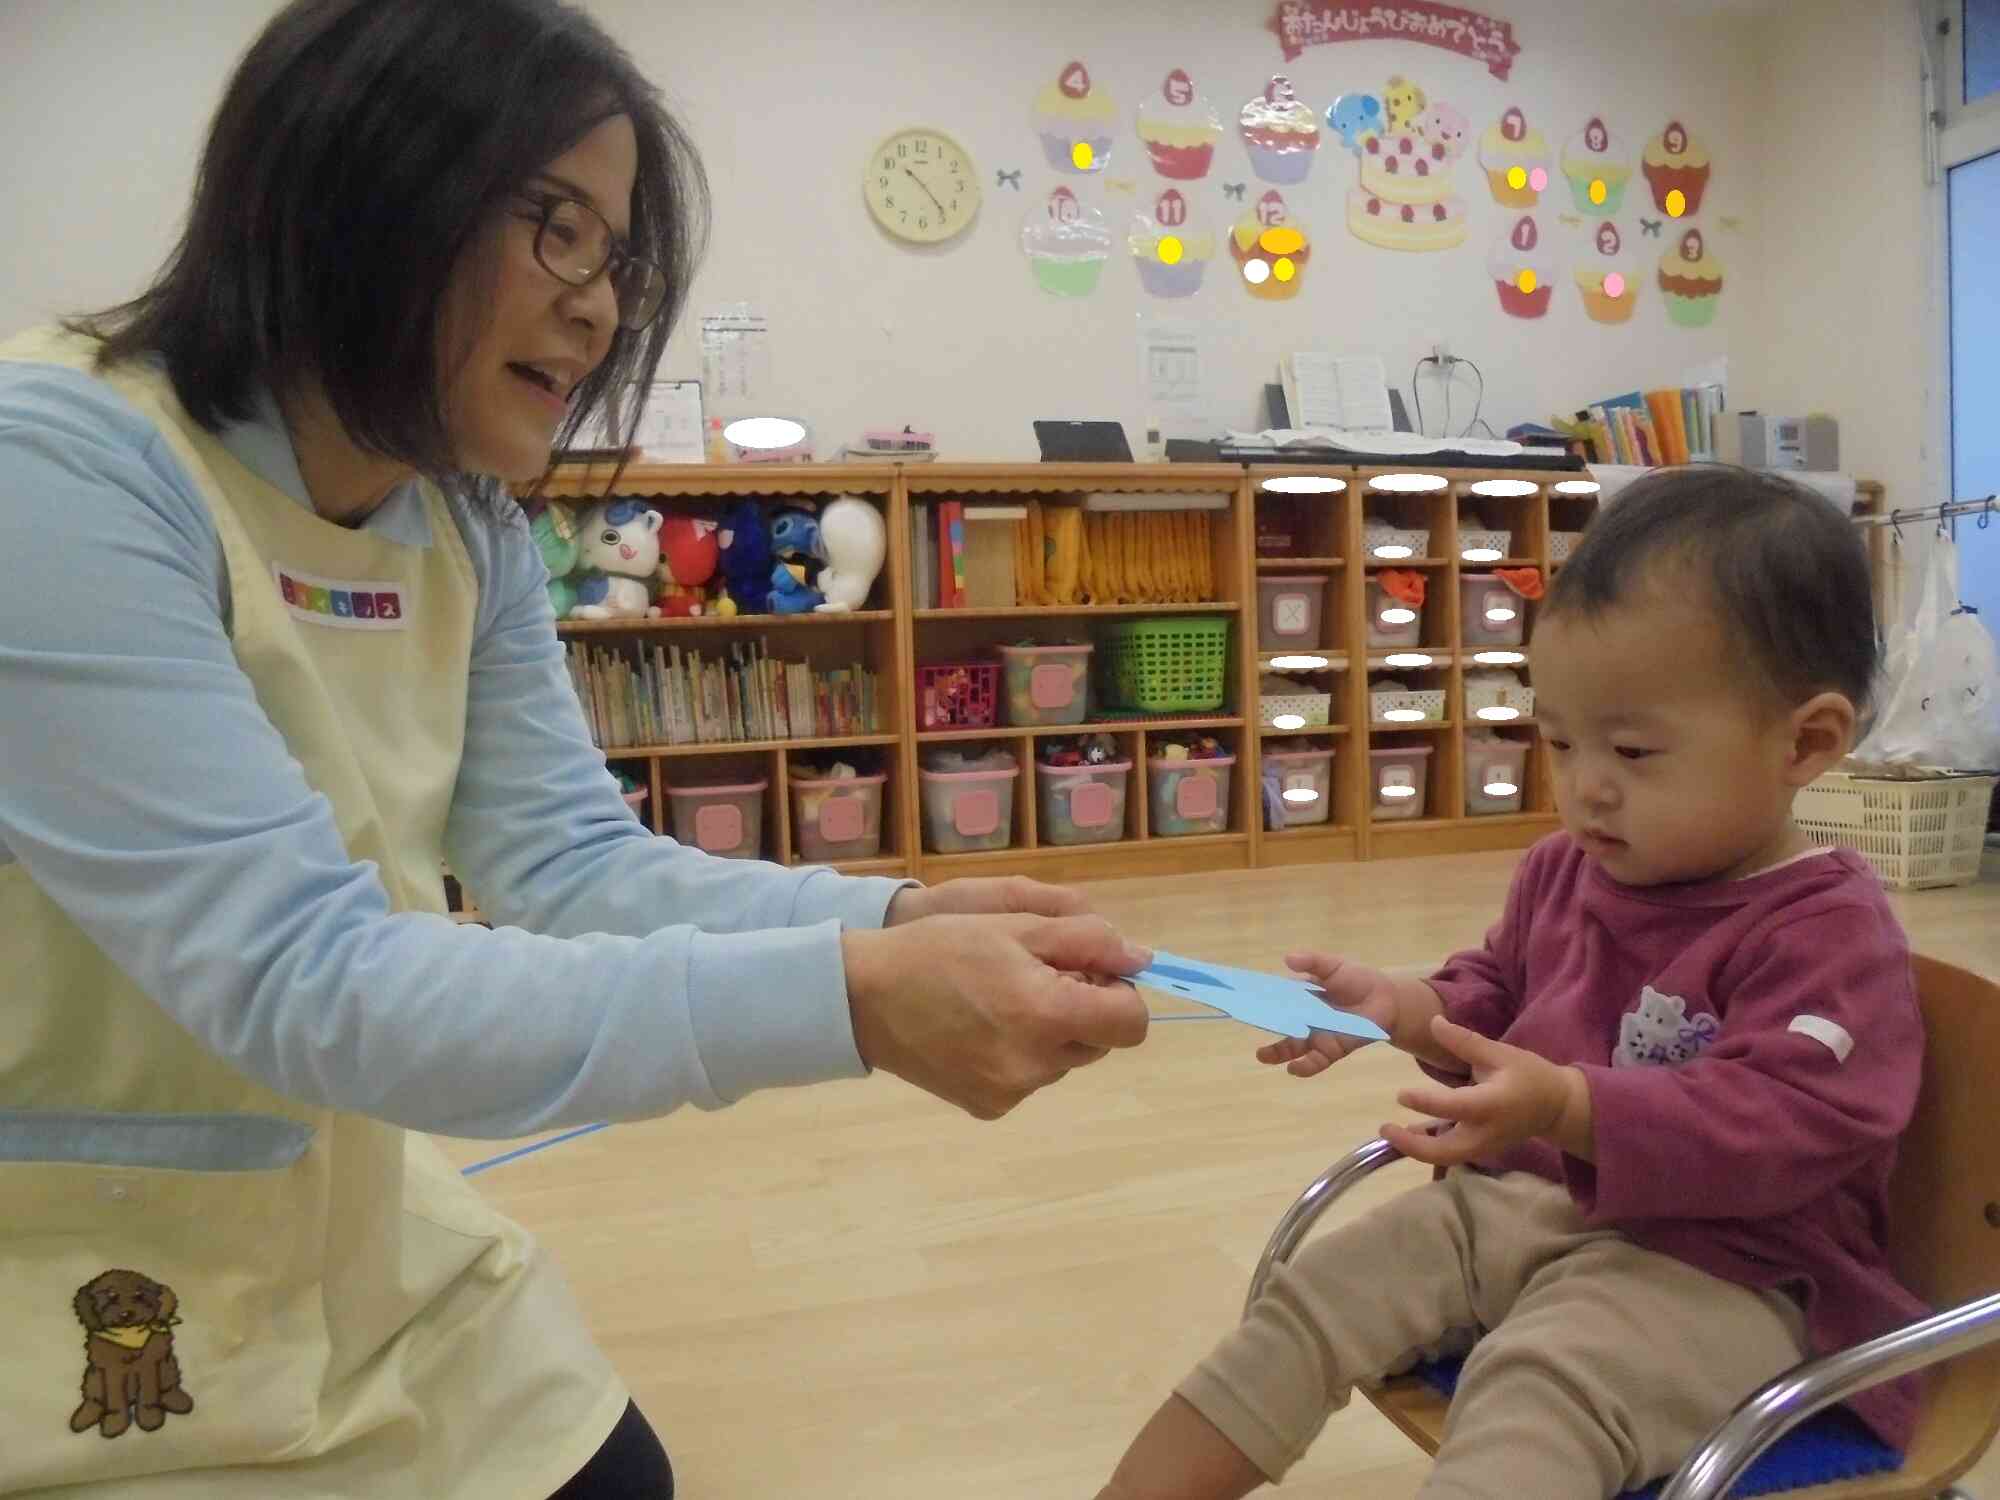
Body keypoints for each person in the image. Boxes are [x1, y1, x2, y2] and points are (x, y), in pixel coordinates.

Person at [0, 3, 1151, 1496]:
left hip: (336, 1214)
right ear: (358, 184)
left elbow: (569, 863)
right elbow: (307, 981)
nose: (600, 310)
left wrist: (893, 914)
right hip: (74, 1251)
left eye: (614, 258)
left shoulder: (456, 514)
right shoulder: (60, 472)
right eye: (554, 228)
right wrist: (856, 997)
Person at [1097, 467, 1930, 1500]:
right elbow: (1494, 991)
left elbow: (1782, 1127)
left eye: (1632, 749)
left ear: (1805, 742)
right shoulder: (1564, 870)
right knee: (1316, 1296)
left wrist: (1570, 1106)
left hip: (1732, 1272)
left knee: (1536, 1389)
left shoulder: (1827, 933)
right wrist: (1404, 1009)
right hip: (1530, 1205)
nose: (1584, 786)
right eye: (1559, 740)